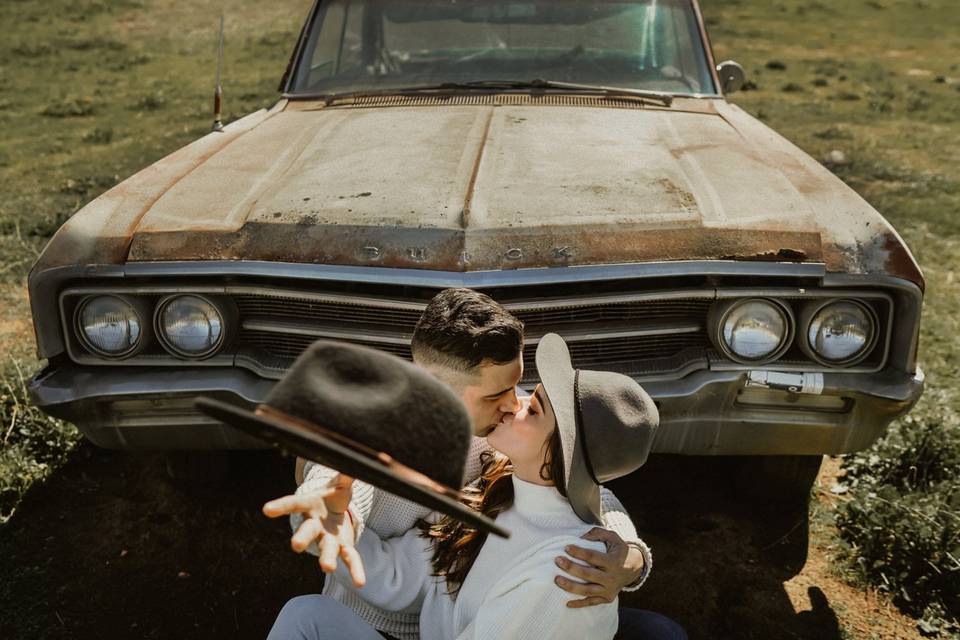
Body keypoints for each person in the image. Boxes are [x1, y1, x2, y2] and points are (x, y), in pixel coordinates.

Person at [264, 289, 682, 638]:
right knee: (303, 616)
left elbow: (585, 487)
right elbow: (334, 472)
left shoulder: (506, 445)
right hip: (381, 621)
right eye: (494, 396)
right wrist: (325, 512)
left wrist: (630, 556)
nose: (512, 404)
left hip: (467, 606)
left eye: (519, 387)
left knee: (660, 633)